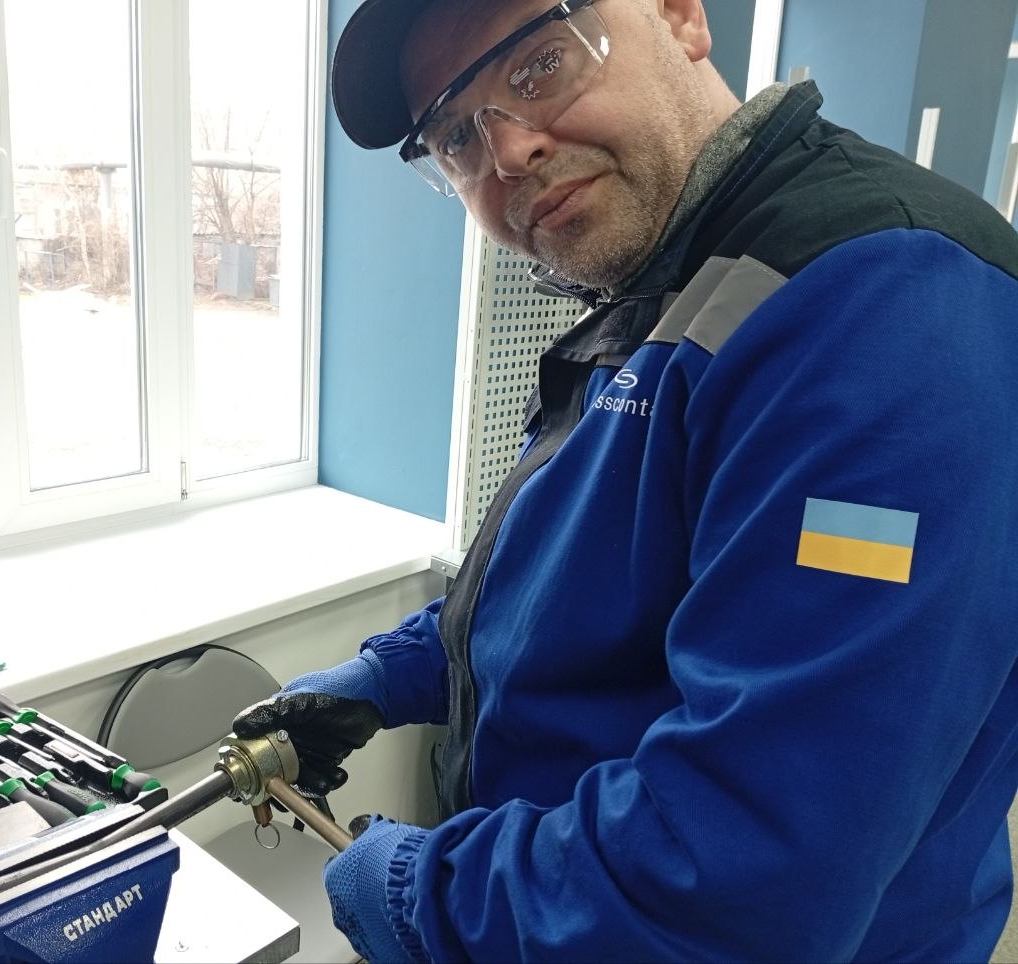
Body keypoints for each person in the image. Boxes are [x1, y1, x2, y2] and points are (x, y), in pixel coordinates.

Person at [233, 0, 1018, 959]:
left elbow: (746, 874)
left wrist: (426, 895)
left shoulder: (884, 310)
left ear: (681, 16)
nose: (508, 152)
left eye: (539, 64)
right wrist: (396, 671)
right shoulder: (665, 285)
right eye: (455, 136)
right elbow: (593, 587)